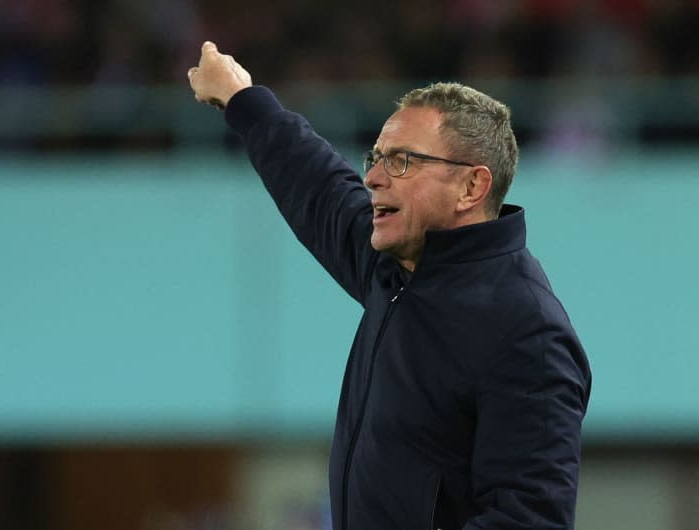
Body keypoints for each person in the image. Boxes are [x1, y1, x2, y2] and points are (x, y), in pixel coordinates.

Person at [188, 41, 591, 530]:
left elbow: (530, 521)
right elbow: (318, 185)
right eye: (376, 158)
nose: (375, 177)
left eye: (402, 161)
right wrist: (241, 97)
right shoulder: (398, 267)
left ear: (472, 187)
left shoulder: (527, 331)